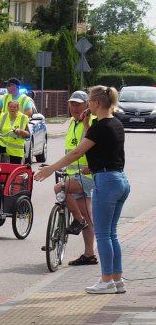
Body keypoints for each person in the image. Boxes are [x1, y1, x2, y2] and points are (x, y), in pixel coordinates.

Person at [36, 86, 129, 294]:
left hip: (106, 182)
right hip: (119, 179)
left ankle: (106, 280)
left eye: (89, 102)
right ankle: (117, 280)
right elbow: (103, 150)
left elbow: (78, 152)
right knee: (112, 234)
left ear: (95, 103)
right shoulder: (115, 123)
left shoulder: (99, 127)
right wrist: (87, 125)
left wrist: (51, 169)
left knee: (104, 235)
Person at [62, 90, 98, 266]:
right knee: (86, 212)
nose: (74, 107)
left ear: (86, 106)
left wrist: (86, 121)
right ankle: (89, 254)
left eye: (78, 104)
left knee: (61, 189)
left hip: (87, 174)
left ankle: (78, 221)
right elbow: (71, 150)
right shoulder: (71, 122)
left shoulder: (89, 122)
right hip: (72, 173)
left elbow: (94, 144)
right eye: (72, 104)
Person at [0, 96, 31, 164]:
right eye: (10, 107)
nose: (12, 109)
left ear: (18, 108)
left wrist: (21, 131)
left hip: (16, 150)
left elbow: (28, 134)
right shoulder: (2, 116)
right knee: (3, 169)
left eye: (14, 107)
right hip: (3, 148)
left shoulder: (23, 118)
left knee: (14, 170)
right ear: (7, 108)